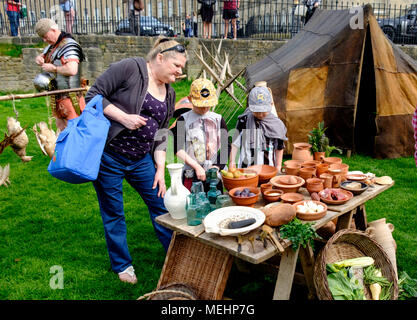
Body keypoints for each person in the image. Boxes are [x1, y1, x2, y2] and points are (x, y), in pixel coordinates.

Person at [84, 37, 187, 284]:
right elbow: (93, 96)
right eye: (177, 65)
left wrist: (160, 169)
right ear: (160, 58)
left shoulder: (170, 92)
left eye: (182, 68)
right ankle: (123, 265)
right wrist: (125, 118)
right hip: (110, 156)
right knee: (114, 212)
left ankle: (175, 257)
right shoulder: (130, 68)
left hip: (142, 160)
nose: (180, 71)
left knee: (162, 206)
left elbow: (162, 134)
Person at [170, 78, 229, 192]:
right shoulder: (183, 120)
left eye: (208, 105)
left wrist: (217, 166)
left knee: (215, 203)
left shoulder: (218, 119)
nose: (205, 108)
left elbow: (227, 145)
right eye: (200, 105)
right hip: (191, 173)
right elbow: (177, 148)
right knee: (194, 204)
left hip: (214, 172)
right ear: (189, 99)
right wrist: (197, 167)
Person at [34, 18, 85, 131]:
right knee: (61, 130)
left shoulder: (69, 45)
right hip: (57, 96)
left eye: (45, 36)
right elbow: (44, 55)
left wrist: (54, 68)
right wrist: (39, 58)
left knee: (74, 130)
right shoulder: (52, 46)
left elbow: (72, 70)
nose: (44, 39)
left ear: (53, 30)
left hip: (71, 96)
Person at [229, 86, 287, 173]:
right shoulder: (244, 120)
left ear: (270, 105)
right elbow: (235, 143)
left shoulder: (276, 125)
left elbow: (279, 147)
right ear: (250, 106)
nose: (260, 115)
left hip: (268, 170)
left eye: (263, 112)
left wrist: (278, 166)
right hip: (246, 169)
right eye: (256, 112)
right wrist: (232, 161)